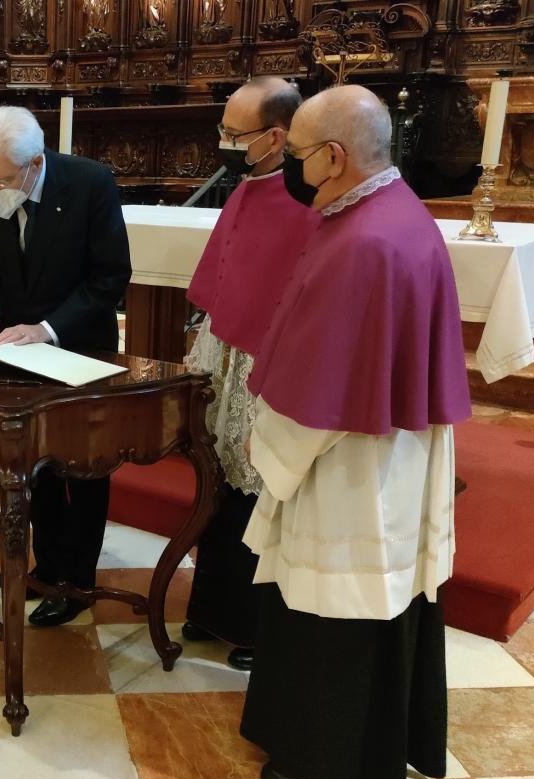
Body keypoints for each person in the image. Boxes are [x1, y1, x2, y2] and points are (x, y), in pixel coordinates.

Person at [237, 85, 471, 779]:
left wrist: (267, 452)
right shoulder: (390, 211)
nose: (293, 166)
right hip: (389, 445)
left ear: (334, 157)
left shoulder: (364, 241)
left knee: (336, 607)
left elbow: (321, 400)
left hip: (352, 463)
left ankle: (326, 758)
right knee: (377, 603)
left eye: (301, 154)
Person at [0, 106, 131, 627]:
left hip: (81, 348)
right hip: (16, 355)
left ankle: (77, 581)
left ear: (36, 163)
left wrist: (48, 329)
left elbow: (109, 280)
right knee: (31, 466)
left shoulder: (90, 183)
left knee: (84, 470)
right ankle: (44, 568)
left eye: (2, 178)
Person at [180, 77, 318, 672]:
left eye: (234, 134)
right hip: (225, 351)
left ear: (275, 136)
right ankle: (211, 607)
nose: (225, 143)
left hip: (268, 362)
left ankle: (255, 623)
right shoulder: (247, 186)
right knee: (217, 479)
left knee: (258, 485)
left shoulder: (308, 201)